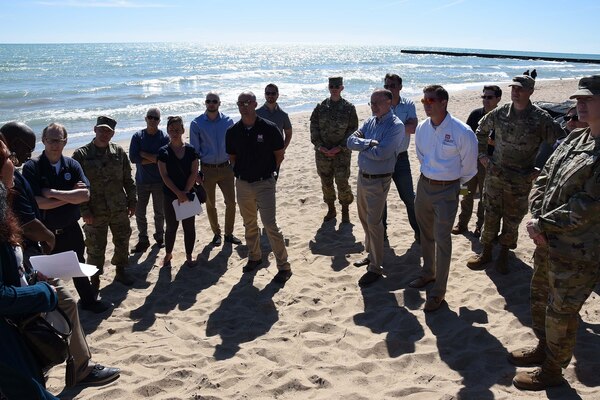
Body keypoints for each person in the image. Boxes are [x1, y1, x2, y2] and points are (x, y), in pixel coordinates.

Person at [0, 123, 120, 389]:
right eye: (22, 149)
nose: (25, 155)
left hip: (31, 253)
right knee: (62, 302)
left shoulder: (27, 173)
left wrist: (54, 196)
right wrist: (49, 236)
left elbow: (82, 194)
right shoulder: (17, 177)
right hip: (25, 259)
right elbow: (30, 217)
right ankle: (79, 368)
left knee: (68, 293)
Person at [509, 75, 600, 391]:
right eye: (578, 99)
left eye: (587, 99)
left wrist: (542, 225)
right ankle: (543, 348)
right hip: (547, 241)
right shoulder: (577, 138)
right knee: (540, 299)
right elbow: (545, 176)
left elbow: (588, 204)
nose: (579, 104)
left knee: (562, 312)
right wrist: (537, 216)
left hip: (578, 251)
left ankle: (552, 370)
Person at [466, 76, 564, 274]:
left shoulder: (540, 118)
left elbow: (561, 144)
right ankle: (485, 253)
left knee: (512, 219)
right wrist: (483, 155)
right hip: (495, 175)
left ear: (530, 92)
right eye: (513, 88)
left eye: (521, 89)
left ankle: (503, 254)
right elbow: (481, 131)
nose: (516, 92)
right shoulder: (500, 112)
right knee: (490, 213)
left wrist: (541, 169)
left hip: (520, 179)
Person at [22, 123, 112, 313]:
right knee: (43, 274)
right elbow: (37, 202)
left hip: (70, 228)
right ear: (43, 141)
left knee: (78, 265)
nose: (55, 144)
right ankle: (50, 309)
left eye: (59, 140)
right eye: (51, 140)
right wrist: (70, 196)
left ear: (65, 142)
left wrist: (52, 193)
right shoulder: (32, 167)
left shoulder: (72, 164)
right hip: (43, 232)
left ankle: (88, 301)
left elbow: (85, 196)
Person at [409, 85, 478, 312]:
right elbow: (421, 155)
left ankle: (438, 291)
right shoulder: (421, 128)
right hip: (424, 185)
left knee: (442, 239)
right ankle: (428, 273)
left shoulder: (462, 132)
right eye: (424, 101)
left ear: (443, 102)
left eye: (431, 101)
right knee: (425, 234)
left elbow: (469, 170)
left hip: (448, 190)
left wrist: (457, 190)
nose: (426, 105)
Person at [225, 92, 292, 284]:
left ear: (255, 104)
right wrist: (242, 174)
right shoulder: (232, 131)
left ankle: (284, 266)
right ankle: (255, 256)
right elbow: (232, 158)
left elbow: (279, 155)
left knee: (270, 224)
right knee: (249, 223)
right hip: (243, 183)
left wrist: (270, 172)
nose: (244, 106)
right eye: (240, 103)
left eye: (247, 102)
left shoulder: (269, 128)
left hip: (265, 183)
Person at [347, 89, 403, 286]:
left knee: (374, 222)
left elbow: (383, 153)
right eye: (371, 103)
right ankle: (370, 255)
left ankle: (376, 267)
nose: (373, 106)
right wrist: (368, 143)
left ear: (389, 102)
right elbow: (350, 141)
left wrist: (362, 148)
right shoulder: (370, 121)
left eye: (377, 103)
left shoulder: (396, 125)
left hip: (379, 180)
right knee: (364, 219)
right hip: (363, 177)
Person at [72, 116, 136, 287]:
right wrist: (84, 211)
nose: (104, 133)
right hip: (94, 211)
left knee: (122, 241)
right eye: (101, 129)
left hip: (119, 208)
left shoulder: (119, 152)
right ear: (95, 130)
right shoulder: (81, 155)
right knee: (95, 248)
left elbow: (128, 180)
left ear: (113, 133)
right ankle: (95, 280)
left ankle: (121, 271)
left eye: (108, 131)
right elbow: (77, 188)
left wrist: (133, 201)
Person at [189, 92, 241, 247]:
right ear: (205, 103)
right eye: (208, 101)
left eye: (214, 101)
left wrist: (235, 165)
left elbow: (233, 146)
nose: (211, 103)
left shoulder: (228, 121)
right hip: (207, 170)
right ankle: (216, 234)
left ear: (220, 103)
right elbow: (194, 151)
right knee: (210, 204)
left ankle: (229, 234)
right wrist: (196, 173)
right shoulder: (196, 123)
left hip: (226, 168)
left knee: (231, 202)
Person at [452, 85, 502, 237]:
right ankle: (462, 224)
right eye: (484, 97)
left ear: (498, 99)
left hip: (488, 164)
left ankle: (480, 226)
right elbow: (465, 136)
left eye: (489, 97)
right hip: (470, 162)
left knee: (484, 197)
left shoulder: (501, 118)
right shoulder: (475, 115)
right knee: (466, 193)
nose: (486, 100)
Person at [310, 76, 358, 223]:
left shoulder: (349, 108)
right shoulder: (321, 107)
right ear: (329, 87)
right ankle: (331, 209)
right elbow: (314, 128)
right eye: (332, 86)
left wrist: (340, 147)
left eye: (337, 86)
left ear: (342, 88)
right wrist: (320, 146)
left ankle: (345, 211)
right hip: (323, 154)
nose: (335, 89)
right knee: (326, 182)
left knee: (342, 182)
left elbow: (353, 130)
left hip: (342, 154)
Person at [381, 73, 420, 243]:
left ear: (400, 87)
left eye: (393, 85)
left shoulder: (408, 104)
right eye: (387, 85)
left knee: (409, 198)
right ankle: (382, 235)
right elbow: (379, 128)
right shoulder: (381, 104)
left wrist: (393, 128)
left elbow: (413, 128)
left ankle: (419, 232)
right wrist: (401, 127)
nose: (390, 88)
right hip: (383, 158)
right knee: (381, 199)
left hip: (401, 158)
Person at [158, 116, 199, 267]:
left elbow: (194, 171)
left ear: (182, 130)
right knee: (171, 227)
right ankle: (168, 254)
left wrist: (186, 191)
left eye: (177, 129)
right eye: (171, 130)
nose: (174, 132)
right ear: (167, 131)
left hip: (187, 194)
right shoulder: (163, 152)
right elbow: (164, 176)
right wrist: (178, 193)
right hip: (170, 195)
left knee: (189, 227)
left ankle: (189, 256)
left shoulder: (190, 150)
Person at [129, 107, 169, 253]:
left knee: (159, 212)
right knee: (140, 213)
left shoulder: (163, 137)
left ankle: (160, 237)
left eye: (156, 118)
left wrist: (143, 154)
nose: (153, 120)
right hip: (141, 181)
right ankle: (143, 239)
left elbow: (163, 159)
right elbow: (133, 158)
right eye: (150, 117)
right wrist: (153, 158)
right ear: (145, 118)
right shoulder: (137, 136)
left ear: (159, 120)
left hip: (159, 181)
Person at [256, 83, 293, 150]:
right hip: (259, 151)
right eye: (268, 93)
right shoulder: (256, 113)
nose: (270, 95)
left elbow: (289, 134)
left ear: (277, 95)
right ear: (265, 95)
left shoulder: (283, 115)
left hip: (277, 152)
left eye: (273, 93)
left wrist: (283, 149)